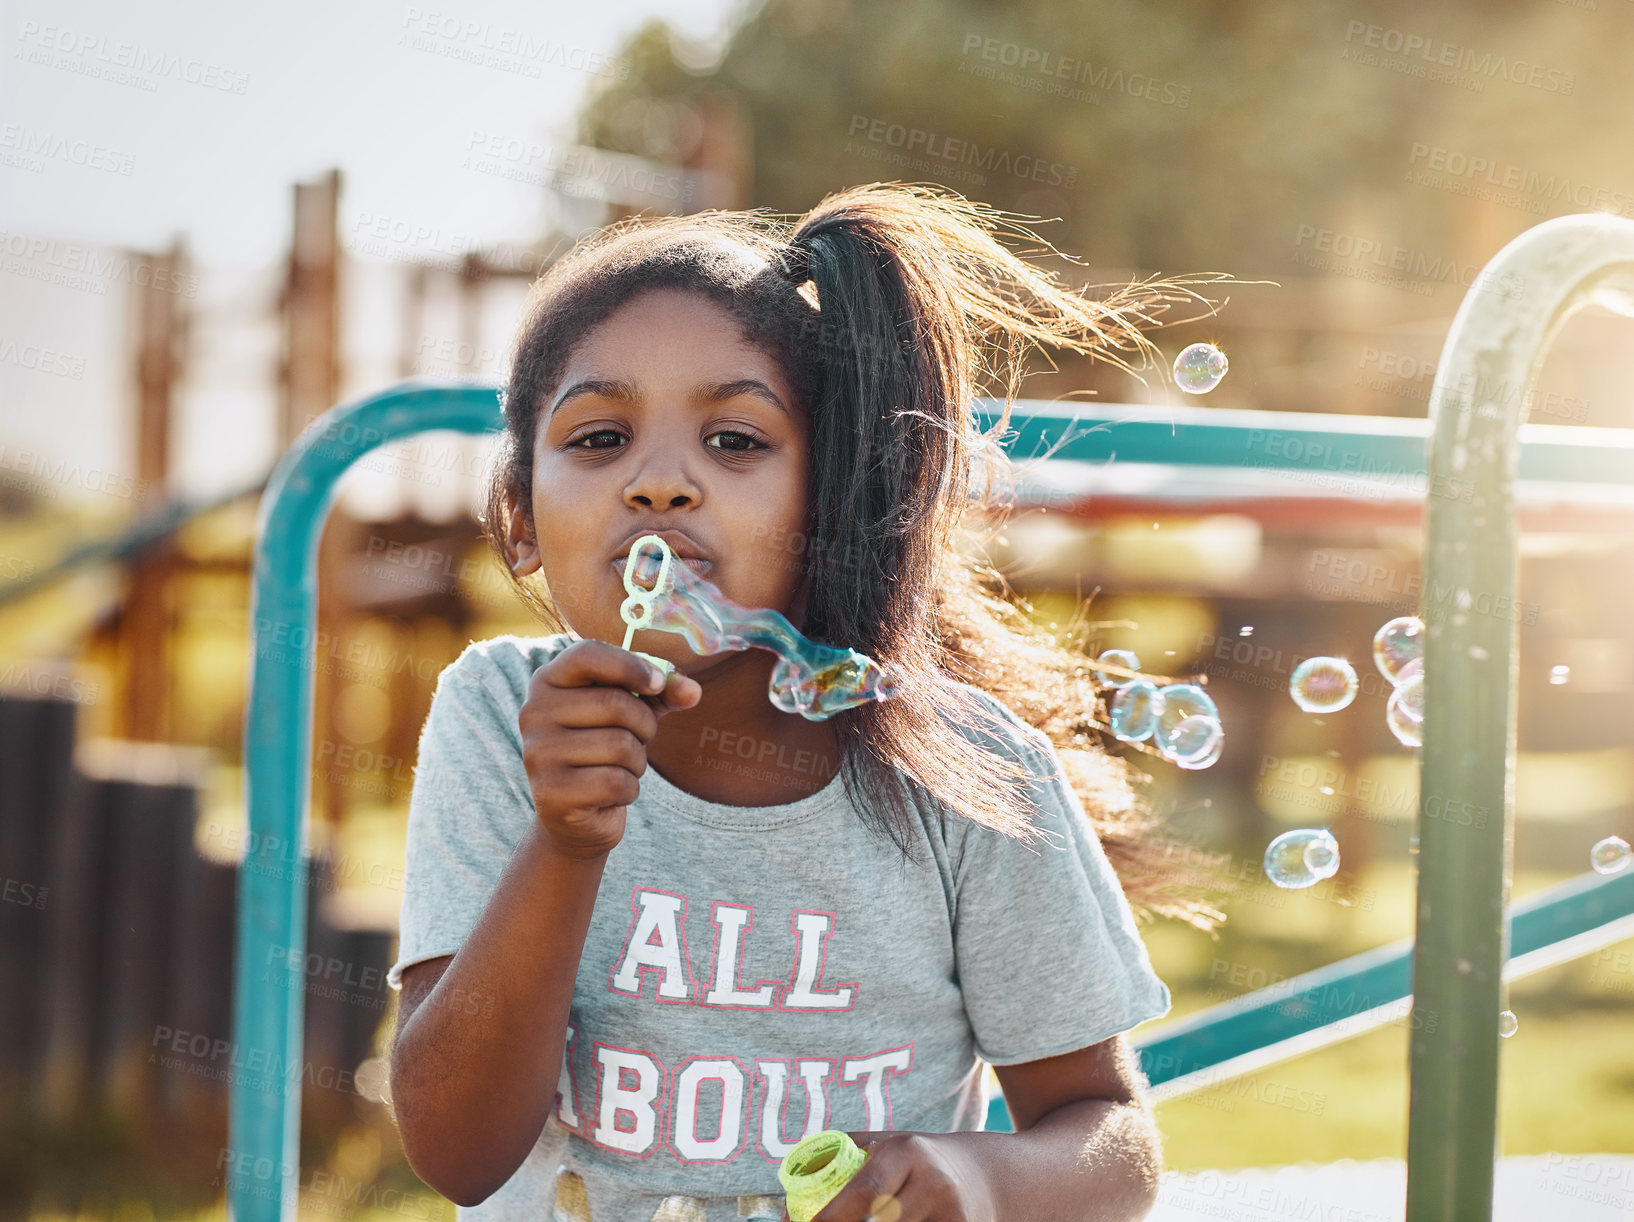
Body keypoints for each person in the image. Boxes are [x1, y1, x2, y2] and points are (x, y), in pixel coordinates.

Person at [387, 182, 1223, 1222]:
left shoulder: (965, 770)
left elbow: (1111, 1143)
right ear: (519, 518)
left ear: (828, 499)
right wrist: (564, 842)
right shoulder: (498, 718)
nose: (659, 483)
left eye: (735, 441)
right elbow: (456, 1152)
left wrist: (978, 1175)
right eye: (598, 438)